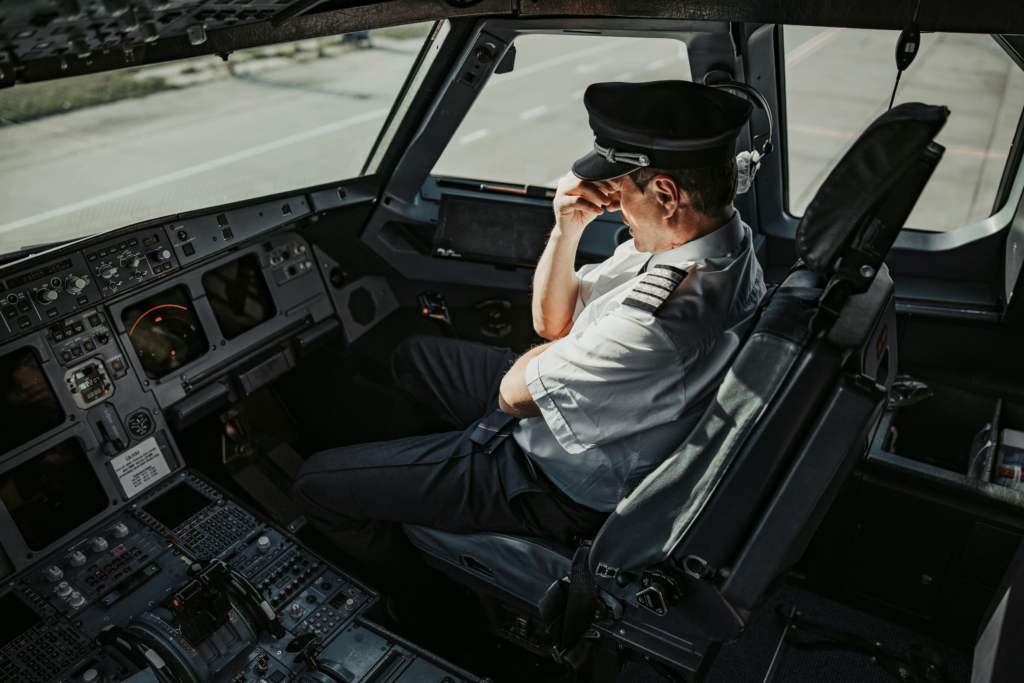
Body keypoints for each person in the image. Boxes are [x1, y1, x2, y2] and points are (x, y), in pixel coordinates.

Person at [292, 80, 767, 578]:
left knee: (314, 486)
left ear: (666, 194)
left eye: (622, 189)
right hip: (577, 413)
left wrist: (557, 353)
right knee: (414, 357)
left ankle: (412, 579)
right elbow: (551, 323)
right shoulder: (716, 247)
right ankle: (419, 482)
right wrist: (567, 228)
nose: (619, 208)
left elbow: (513, 397)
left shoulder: (661, 318)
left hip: (552, 481)